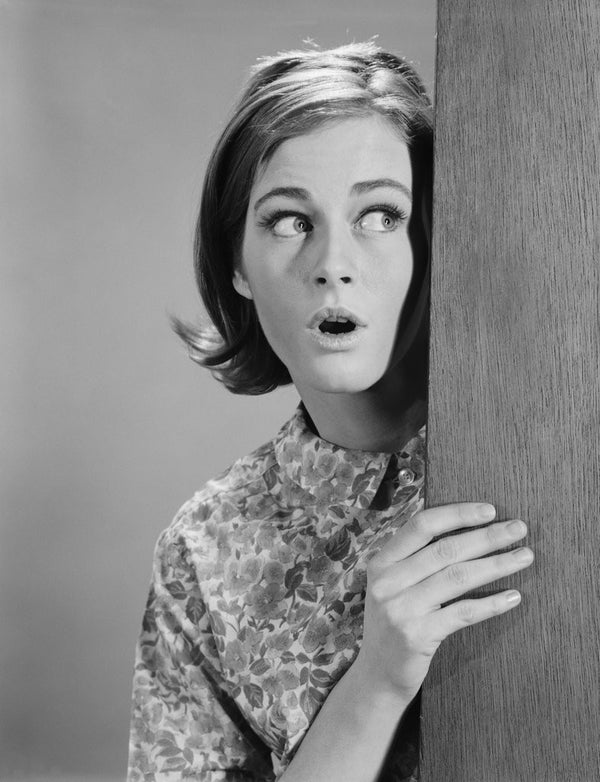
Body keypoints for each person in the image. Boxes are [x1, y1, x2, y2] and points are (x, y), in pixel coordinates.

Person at [127, 41, 533, 782]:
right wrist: (377, 678)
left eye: (380, 214)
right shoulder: (205, 549)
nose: (332, 262)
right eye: (288, 221)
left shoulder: (546, 438)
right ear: (236, 266)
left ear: (435, 241)